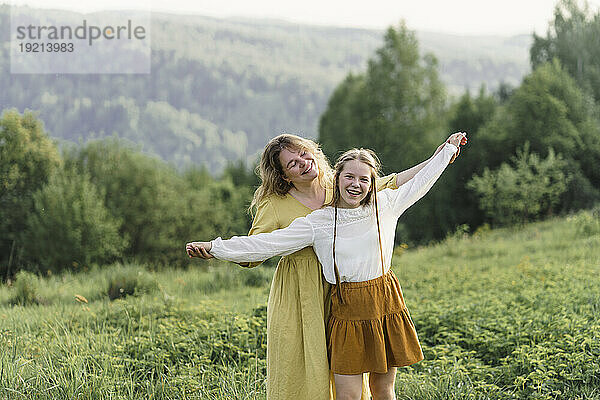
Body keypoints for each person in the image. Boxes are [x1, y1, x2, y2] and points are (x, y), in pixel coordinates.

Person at [187, 133, 466, 399]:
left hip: (383, 299)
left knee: (383, 389)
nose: (356, 184)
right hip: (336, 301)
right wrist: (216, 248)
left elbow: (414, 183)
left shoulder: (383, 203)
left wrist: (445, 153)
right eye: (292, 163)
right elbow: (266, 244)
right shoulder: (317, 221)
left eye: (303, 154)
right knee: (346, 392)